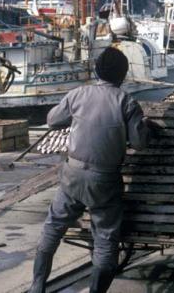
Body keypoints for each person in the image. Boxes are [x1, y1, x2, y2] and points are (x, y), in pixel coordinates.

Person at [29, 47, 150, 293]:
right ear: (123, 75)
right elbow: (140, 143)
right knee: (105, 239)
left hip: (72, 175)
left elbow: (52, 120)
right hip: (104, 180)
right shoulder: (127, 102)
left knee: (53, 227)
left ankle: (37, 285)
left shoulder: (78, 94)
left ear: (96, 70)